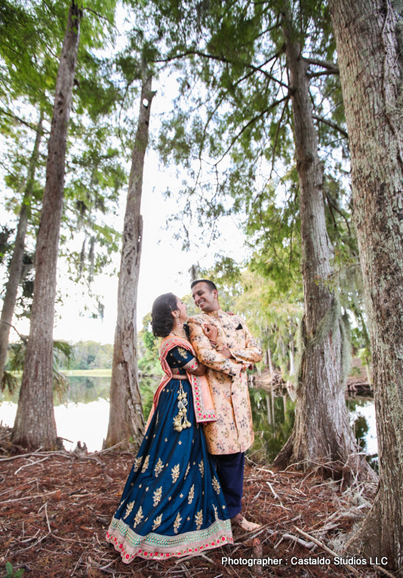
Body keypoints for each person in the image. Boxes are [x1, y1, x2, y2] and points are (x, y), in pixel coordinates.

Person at [106, 293, 233, 563]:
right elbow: (198, 370)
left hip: (181, 397)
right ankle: (161, 520)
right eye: (181, 304)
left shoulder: (183, 336)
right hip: (180, 402)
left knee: (189, 454)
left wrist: (209, 339)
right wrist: (217, 353)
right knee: (177, 455)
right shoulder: (174, 344)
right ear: (174, 313)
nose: (186, 306)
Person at [188, 279, 263, 532]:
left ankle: (233, 515)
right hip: (215, 400)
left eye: (201, 293)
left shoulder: (236, 320)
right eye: (194, 297)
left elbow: (257, 351)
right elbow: (205, 356)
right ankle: (212, 517)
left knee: (237, 457)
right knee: (218, 456)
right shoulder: (196, 323)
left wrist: (230, 352)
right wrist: (237, 367)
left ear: (214, 293)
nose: (197, 299)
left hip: (240, 403)